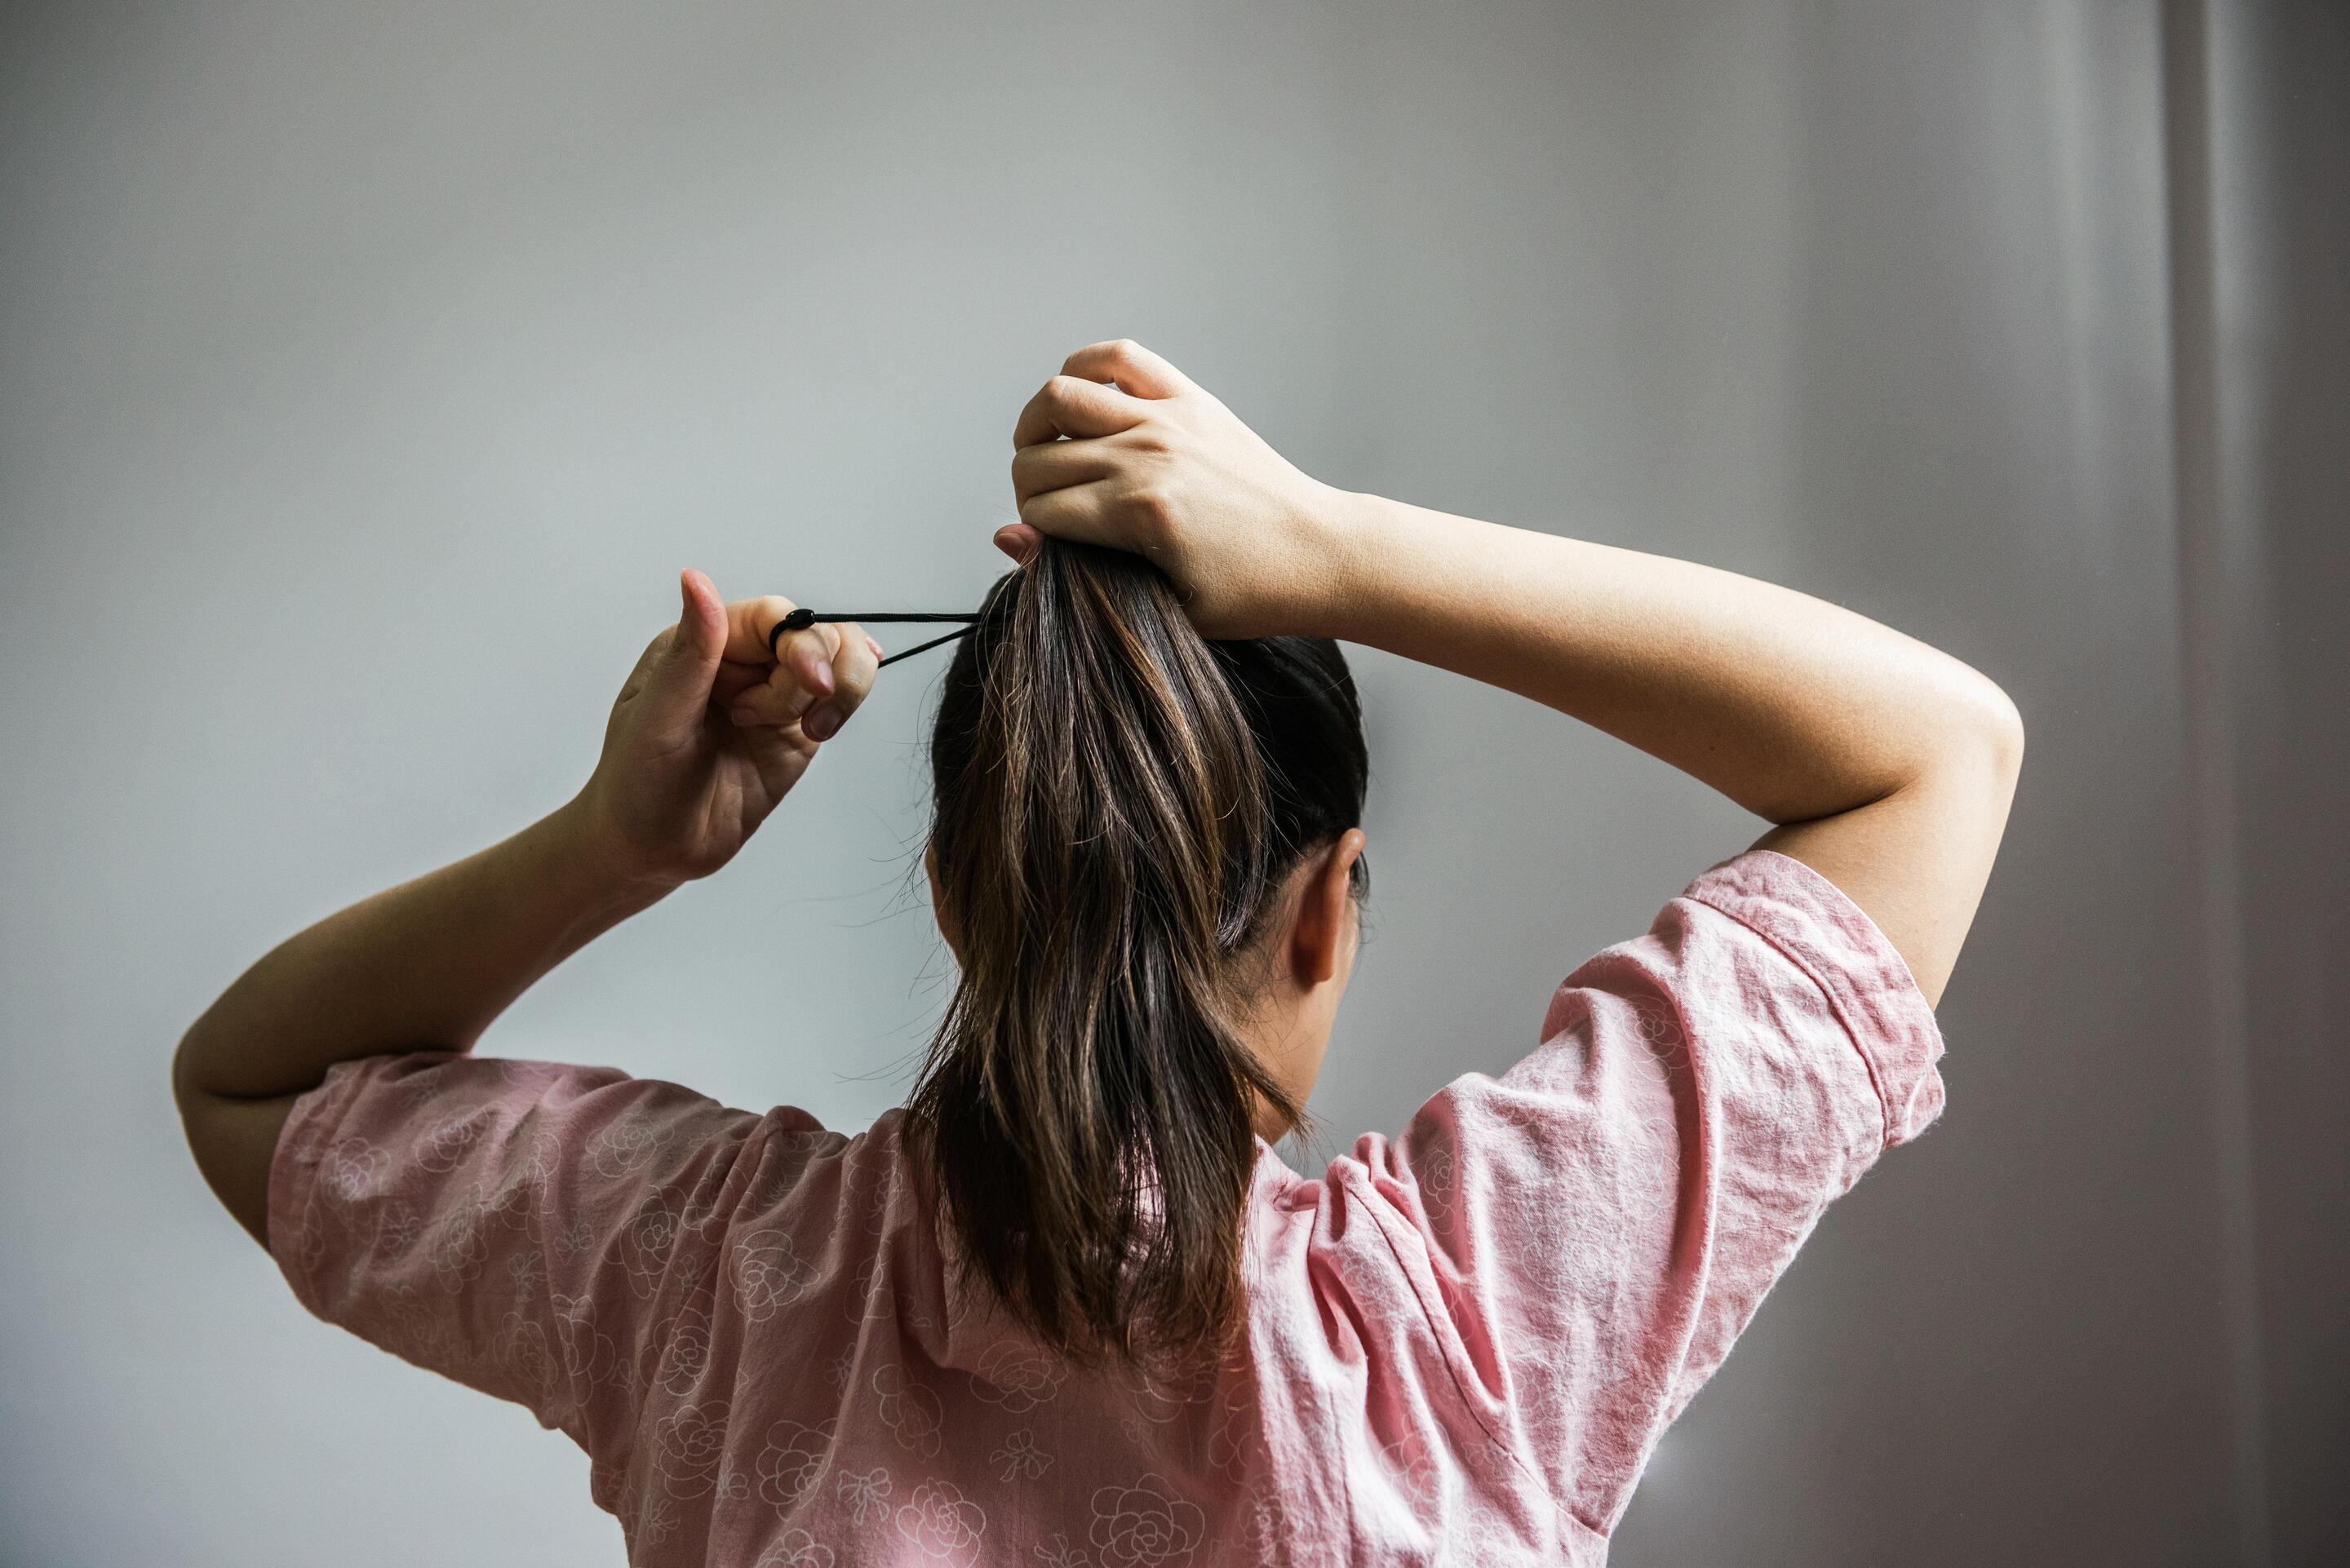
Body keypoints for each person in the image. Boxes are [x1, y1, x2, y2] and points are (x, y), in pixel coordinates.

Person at [174, 339, 2023, 1566]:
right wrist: (1335, 545)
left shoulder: (711, 1283)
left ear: (959, 891)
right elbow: (1934, 751)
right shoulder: (1468, 1326)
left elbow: (247, 1086)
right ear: (1329, 902)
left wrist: (615, 846)